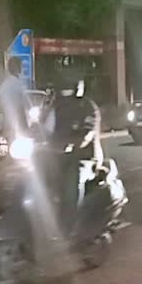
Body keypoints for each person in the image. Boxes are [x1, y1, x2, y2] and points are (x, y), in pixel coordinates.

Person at [42, 78, 103, 231]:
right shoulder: (56, 107)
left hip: (85, 157)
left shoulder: (88, 107)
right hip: (60, 155)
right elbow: (45, 129)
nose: (64, 95)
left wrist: (74, 143)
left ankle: (69, 228)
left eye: (67, 91)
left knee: (71, 180)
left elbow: (87, 134)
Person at [0, 56, 29, 137]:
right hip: (17, 125)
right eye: (21, 66)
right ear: (18, 68)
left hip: (6, 124)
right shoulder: (17, 84)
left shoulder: (4, 85)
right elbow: (20, 107)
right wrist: (25, 127)